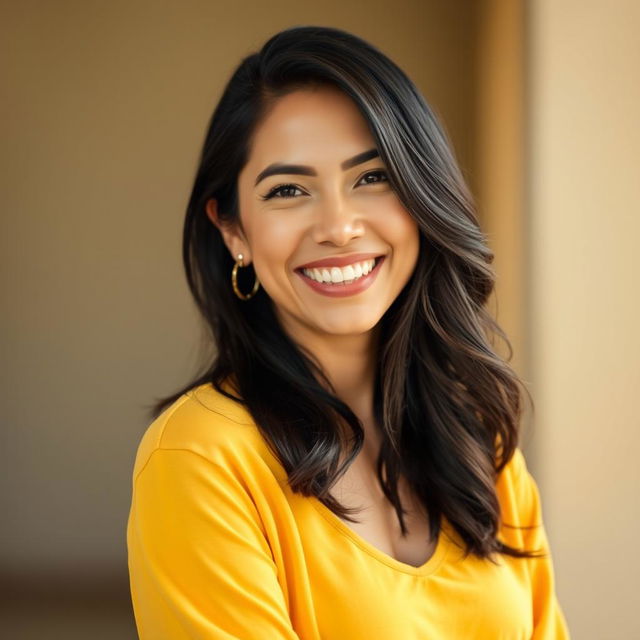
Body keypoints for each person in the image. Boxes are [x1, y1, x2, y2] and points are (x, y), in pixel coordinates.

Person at [126, 25, 570, 639]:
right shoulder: (200, 457)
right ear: (233, 231)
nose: (338, 226)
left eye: (372, 177)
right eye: (288, 190)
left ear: (422, 196)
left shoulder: (479, 441)